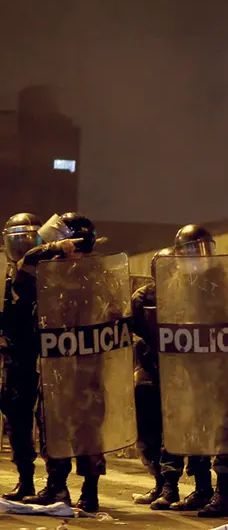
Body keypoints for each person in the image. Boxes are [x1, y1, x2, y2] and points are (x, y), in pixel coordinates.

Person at [157, 224, 228, 517]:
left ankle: (222, 494)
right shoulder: (175, 284)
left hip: (227, 370)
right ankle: (202, 488)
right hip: (193, 371)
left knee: (227, 429)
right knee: (196, 426)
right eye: (189, 251)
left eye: (202, 249)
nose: (197, 257)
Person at [15, 213, 107, 512]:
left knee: (88, 430)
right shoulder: (48, 274)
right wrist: (55, 250)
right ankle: (57, 488)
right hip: (56, 364)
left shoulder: (97, 275)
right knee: (53, 426)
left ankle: (89, 493)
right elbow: (24, 267)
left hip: (87, 365)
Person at [0, 213, 43, 501]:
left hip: (47, 356)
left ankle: (58, 483)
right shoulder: (8, 275)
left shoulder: (53, 271)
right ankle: (25, 479)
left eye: (27, 240)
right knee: (16, 419)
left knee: (52, 420)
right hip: (17, 356)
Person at [131, 247, 177, 507]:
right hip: (150, 371)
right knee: (149, 432)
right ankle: (160, 484)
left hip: (180, 374)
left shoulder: (190, 294)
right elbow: (131, 330)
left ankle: (171, 487)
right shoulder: (143, 296)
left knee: (175, 433)